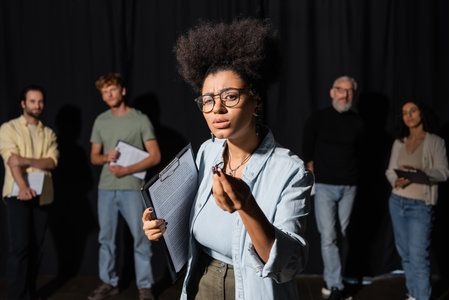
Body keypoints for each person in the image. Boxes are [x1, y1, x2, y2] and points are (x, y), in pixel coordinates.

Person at [142, 19, 313, 300]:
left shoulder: (289, 170)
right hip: (201, 280)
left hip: (250, 287)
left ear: (256, 101)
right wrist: (161, 227)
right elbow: (192, 220)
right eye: (207, 100)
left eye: (230, 96)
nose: (217, 109)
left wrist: (247, 206)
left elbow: (288, 265)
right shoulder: (207, 152)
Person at [88, 73, 161, 300]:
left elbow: (155, 156)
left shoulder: (140, 119)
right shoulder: (101, 120)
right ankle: (109, 282)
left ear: (122, 91)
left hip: (132, 187)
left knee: (140, 237)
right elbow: (94, 157)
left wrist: (126, 170)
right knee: (106, 239)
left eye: (113, 89)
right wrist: (105, 158)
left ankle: (145, 286)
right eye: (104, 92)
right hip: (106, 188)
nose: (109, 94)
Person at [303, 76, 363, 300]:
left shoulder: (358, 122)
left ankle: (342, 278)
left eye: (349, 91)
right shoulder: (319, 118)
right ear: (332, 92)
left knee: (348, 234)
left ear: (353, 95)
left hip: (350, 187)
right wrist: (313, 172)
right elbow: (307, 149)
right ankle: (335, 285)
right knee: (328, 235)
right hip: (325, 186)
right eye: (340, 90)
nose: (344, 95)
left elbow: (363, 154)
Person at [385, 101, 449, 300]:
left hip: (420, 206)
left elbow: (444, 172)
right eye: (404, 112)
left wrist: (421, 173)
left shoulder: (435, 142)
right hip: (397, 203)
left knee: (419, 258)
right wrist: (397, 180)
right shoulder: (399, 142)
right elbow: (389, 171)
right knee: (405, 255)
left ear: (422, 113)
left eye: (413, 111)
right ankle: (413, 294)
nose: (409, 115)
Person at [0, 85, 59, 299]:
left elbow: (51, 162)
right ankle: (15, 296)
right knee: (19, 249)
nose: (37, 105)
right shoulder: (9, 128)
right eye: (33, 101)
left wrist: (24, 160)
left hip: (42, 196)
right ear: (23, 103)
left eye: (40, 101)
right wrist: (23, 188)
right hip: (18, 194)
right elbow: (11, 160)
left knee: (36, 249)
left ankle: (29, 295)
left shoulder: (49, 132)